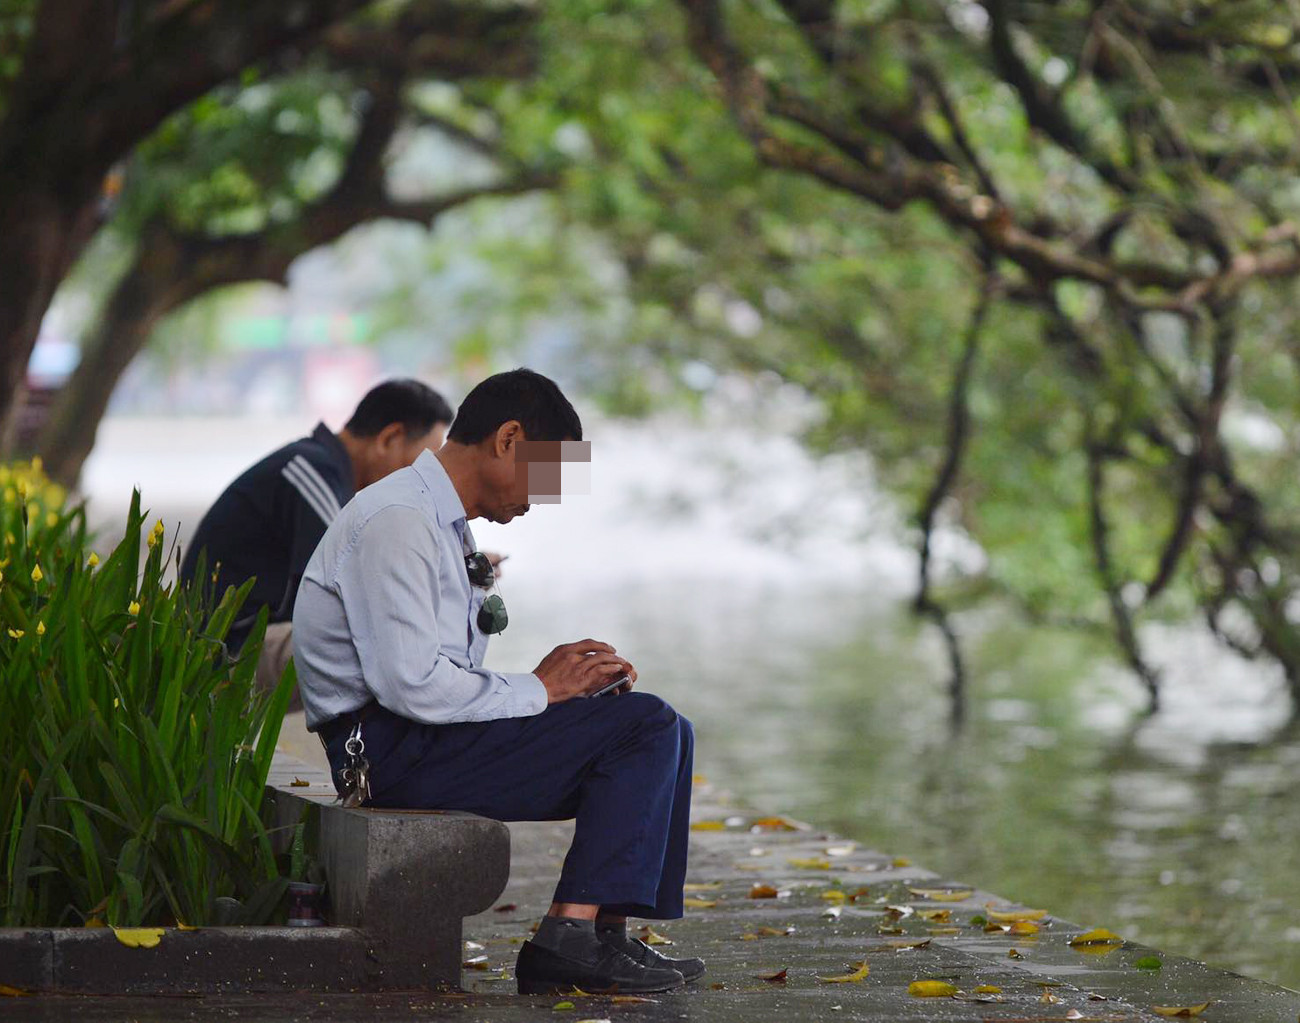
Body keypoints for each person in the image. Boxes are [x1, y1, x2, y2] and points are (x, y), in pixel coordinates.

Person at [293, 368, 702, 995]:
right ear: (508, 439)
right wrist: (542, 688)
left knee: (666, 728)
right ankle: (566, 939)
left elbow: (441, 678)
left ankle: (604, 935)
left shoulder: (439, 521)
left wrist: (564, 693)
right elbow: (411, 687)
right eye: (546, 475)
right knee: (644, 726)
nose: (542, 498)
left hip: (416, 739)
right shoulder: (399, 519)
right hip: (387, 754)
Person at [180, 378, 454, 693]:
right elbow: (355, 583)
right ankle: (371, 743)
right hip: (219, 651)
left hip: (242, 641)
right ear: (389, 438)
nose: (424, 479)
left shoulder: (325, 472)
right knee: (385, 644)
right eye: (423, 462)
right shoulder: (311, 473)